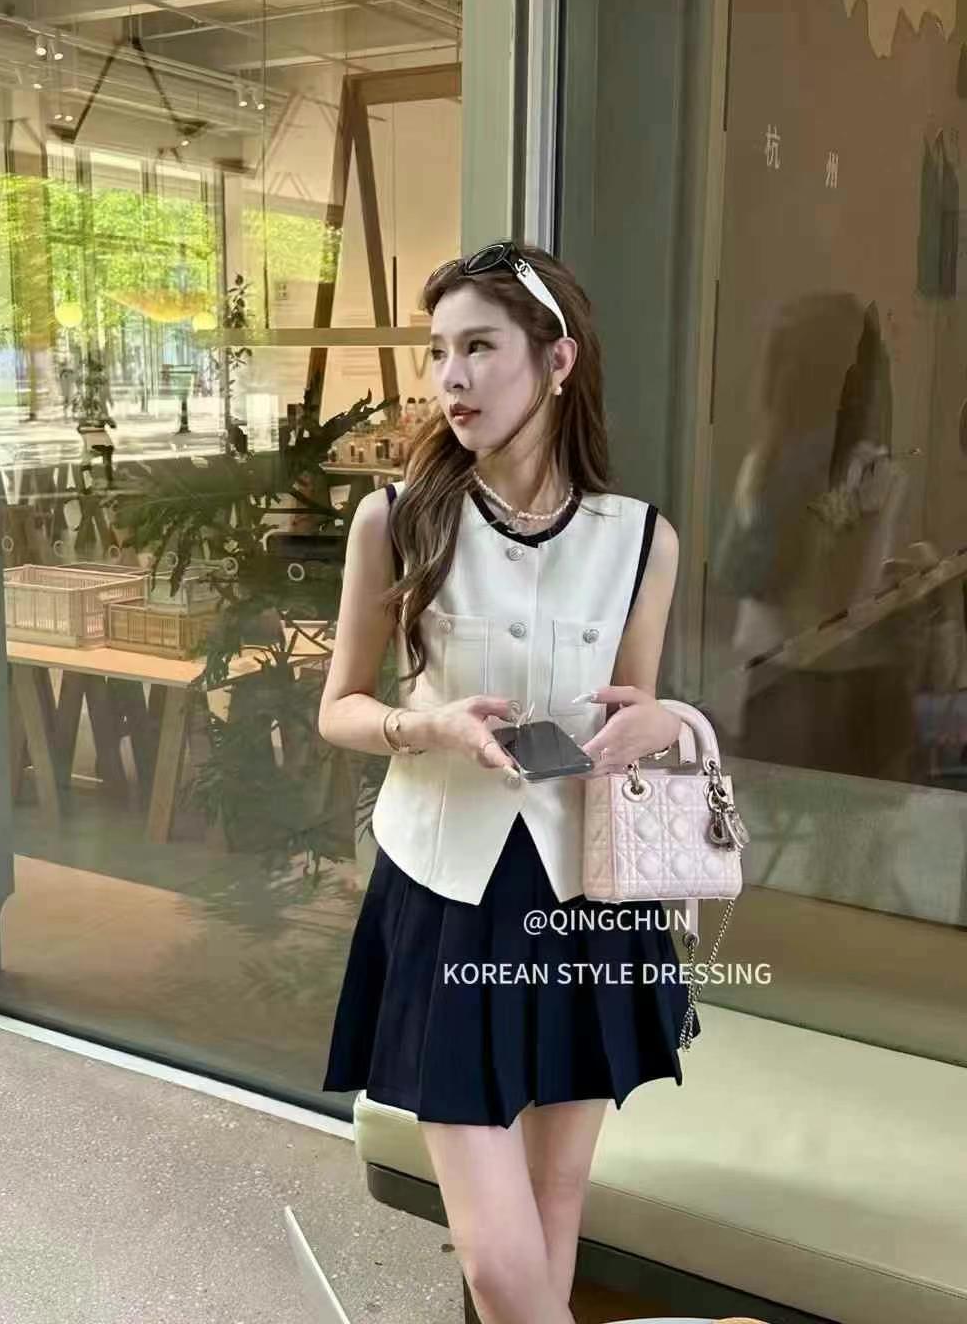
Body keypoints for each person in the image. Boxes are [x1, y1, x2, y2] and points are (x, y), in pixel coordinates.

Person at [318, 241, 699, 1324]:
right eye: (439, 351)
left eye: (479, 347)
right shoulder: (397, 518)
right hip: (446, 894)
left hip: (588, 897)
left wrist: (672, 721)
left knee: (555, 1200)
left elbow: (634, 711)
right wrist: (426, 726)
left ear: (557, 360)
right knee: (495, 1260)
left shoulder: (642, 540)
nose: (452, 378)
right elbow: (340, 706)